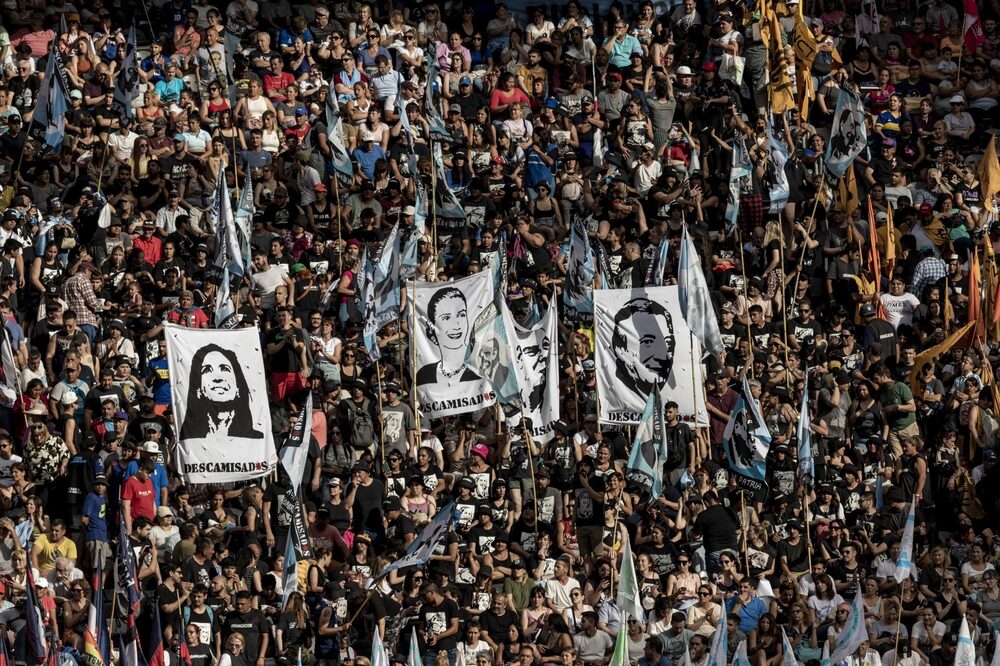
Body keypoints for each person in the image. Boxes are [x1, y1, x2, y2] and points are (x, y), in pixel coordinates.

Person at [178, 343, 265, 440]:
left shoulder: (257, 441)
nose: (217, 378)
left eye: (224, 369)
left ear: (238, 386)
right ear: (198, 389)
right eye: (207, 370)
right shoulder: (187, 437)